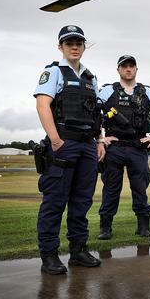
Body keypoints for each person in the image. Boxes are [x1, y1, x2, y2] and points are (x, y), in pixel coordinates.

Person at [33, 25, 104, 275]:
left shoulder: (90, 78)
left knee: (81, 202)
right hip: (63, 143)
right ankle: (49, 255)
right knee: (54, 202)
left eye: (78, 43)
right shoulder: (53, 72)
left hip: (87, 145)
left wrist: (100, 141)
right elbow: (43, 105)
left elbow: (97, 112)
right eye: (69, 43)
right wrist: (54, 139)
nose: (74, 47)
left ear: (84, 47)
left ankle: (78, 251)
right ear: (60, 47)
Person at [96, 55, 150, 240]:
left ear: (136, 69)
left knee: (140, 188)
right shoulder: (107, 91)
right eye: (124, 66)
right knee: (111, 188)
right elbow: (93, 114)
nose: (128, 69)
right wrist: (100, 139)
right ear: (118, 70)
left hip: (138, 147)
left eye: (131, 66)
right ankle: (105, 228)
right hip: (114, 147)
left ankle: (143, 226)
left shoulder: (148, 92)